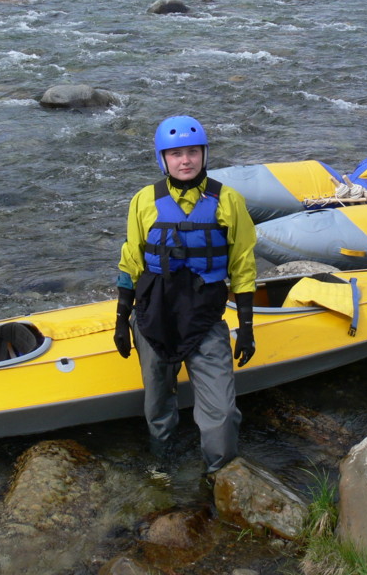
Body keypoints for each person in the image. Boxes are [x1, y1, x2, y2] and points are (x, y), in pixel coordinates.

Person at [113, 115, 257, 475]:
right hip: (153, 316)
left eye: (193, 152)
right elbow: (131, 261)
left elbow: (243, 265)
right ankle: (161, 467)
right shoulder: (143, 201)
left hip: (204, 317)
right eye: (175, 154)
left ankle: (218, 474)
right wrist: (120, 320)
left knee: (222, 412)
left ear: (204, 154)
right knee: (157, 404)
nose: (185, 160)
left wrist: (247, 327)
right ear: (162, 159)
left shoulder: (229, 201)